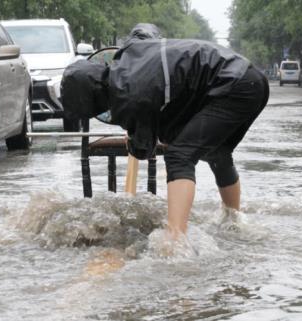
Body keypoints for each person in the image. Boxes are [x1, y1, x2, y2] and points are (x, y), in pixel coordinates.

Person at [61, 24, 269, 239]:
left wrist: (133, 138)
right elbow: (144, 30)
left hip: (234, 86)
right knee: (216, 152)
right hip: (249, 79)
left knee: (180, 155)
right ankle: (233, 220)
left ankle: (175, 239)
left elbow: (143, 149)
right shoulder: (128, 53)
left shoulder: (128, 96)